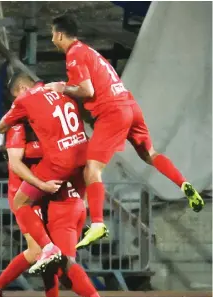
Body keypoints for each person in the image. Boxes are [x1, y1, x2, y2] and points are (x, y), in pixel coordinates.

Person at [45, 13, 204, 250]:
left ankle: (97, 223)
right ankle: (184, 185)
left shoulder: (74, 55)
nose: (52, 41)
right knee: (149, 153)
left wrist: (61, 87)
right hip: (129, 105)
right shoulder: (89, 52)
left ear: (59, 34)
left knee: (92, 169)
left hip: (112, 112)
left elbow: (87, 90)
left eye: (52, 36)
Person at [0, 122, 110, 297]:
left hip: (43, 196)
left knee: (50, 256)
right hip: (26, 196)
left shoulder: (48, 132)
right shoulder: (19, 129)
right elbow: (15, 163)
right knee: (41, 251)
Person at [0, 75, 88, 272]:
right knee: (59, 252)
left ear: (22, 88)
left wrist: (42, 184)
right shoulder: (59, 90)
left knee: (42, 247)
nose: (15, 103)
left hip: (57, 166)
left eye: (15, 98)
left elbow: (1, 126)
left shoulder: (26, 101)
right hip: (81, 154)